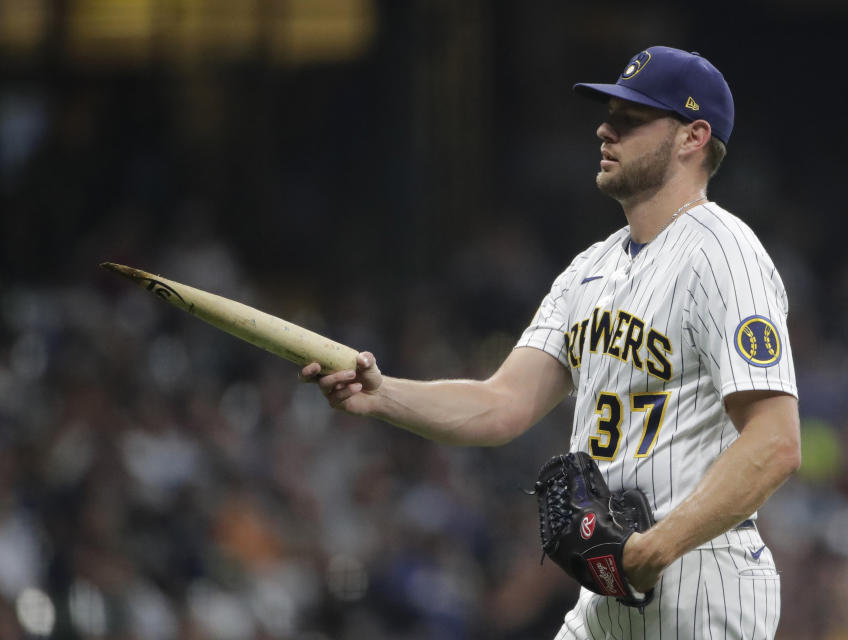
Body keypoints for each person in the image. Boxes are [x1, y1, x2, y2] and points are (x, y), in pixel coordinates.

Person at [302, 45, 801, 638]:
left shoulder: (725, 252)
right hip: (607, 594)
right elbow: (501, 403)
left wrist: (657, 546)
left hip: (701, 581)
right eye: (609, 112)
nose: (605, 128)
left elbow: (775, 442)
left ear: (693, 137)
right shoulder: (590, 269)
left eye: (632, 118)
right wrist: (383, 395)